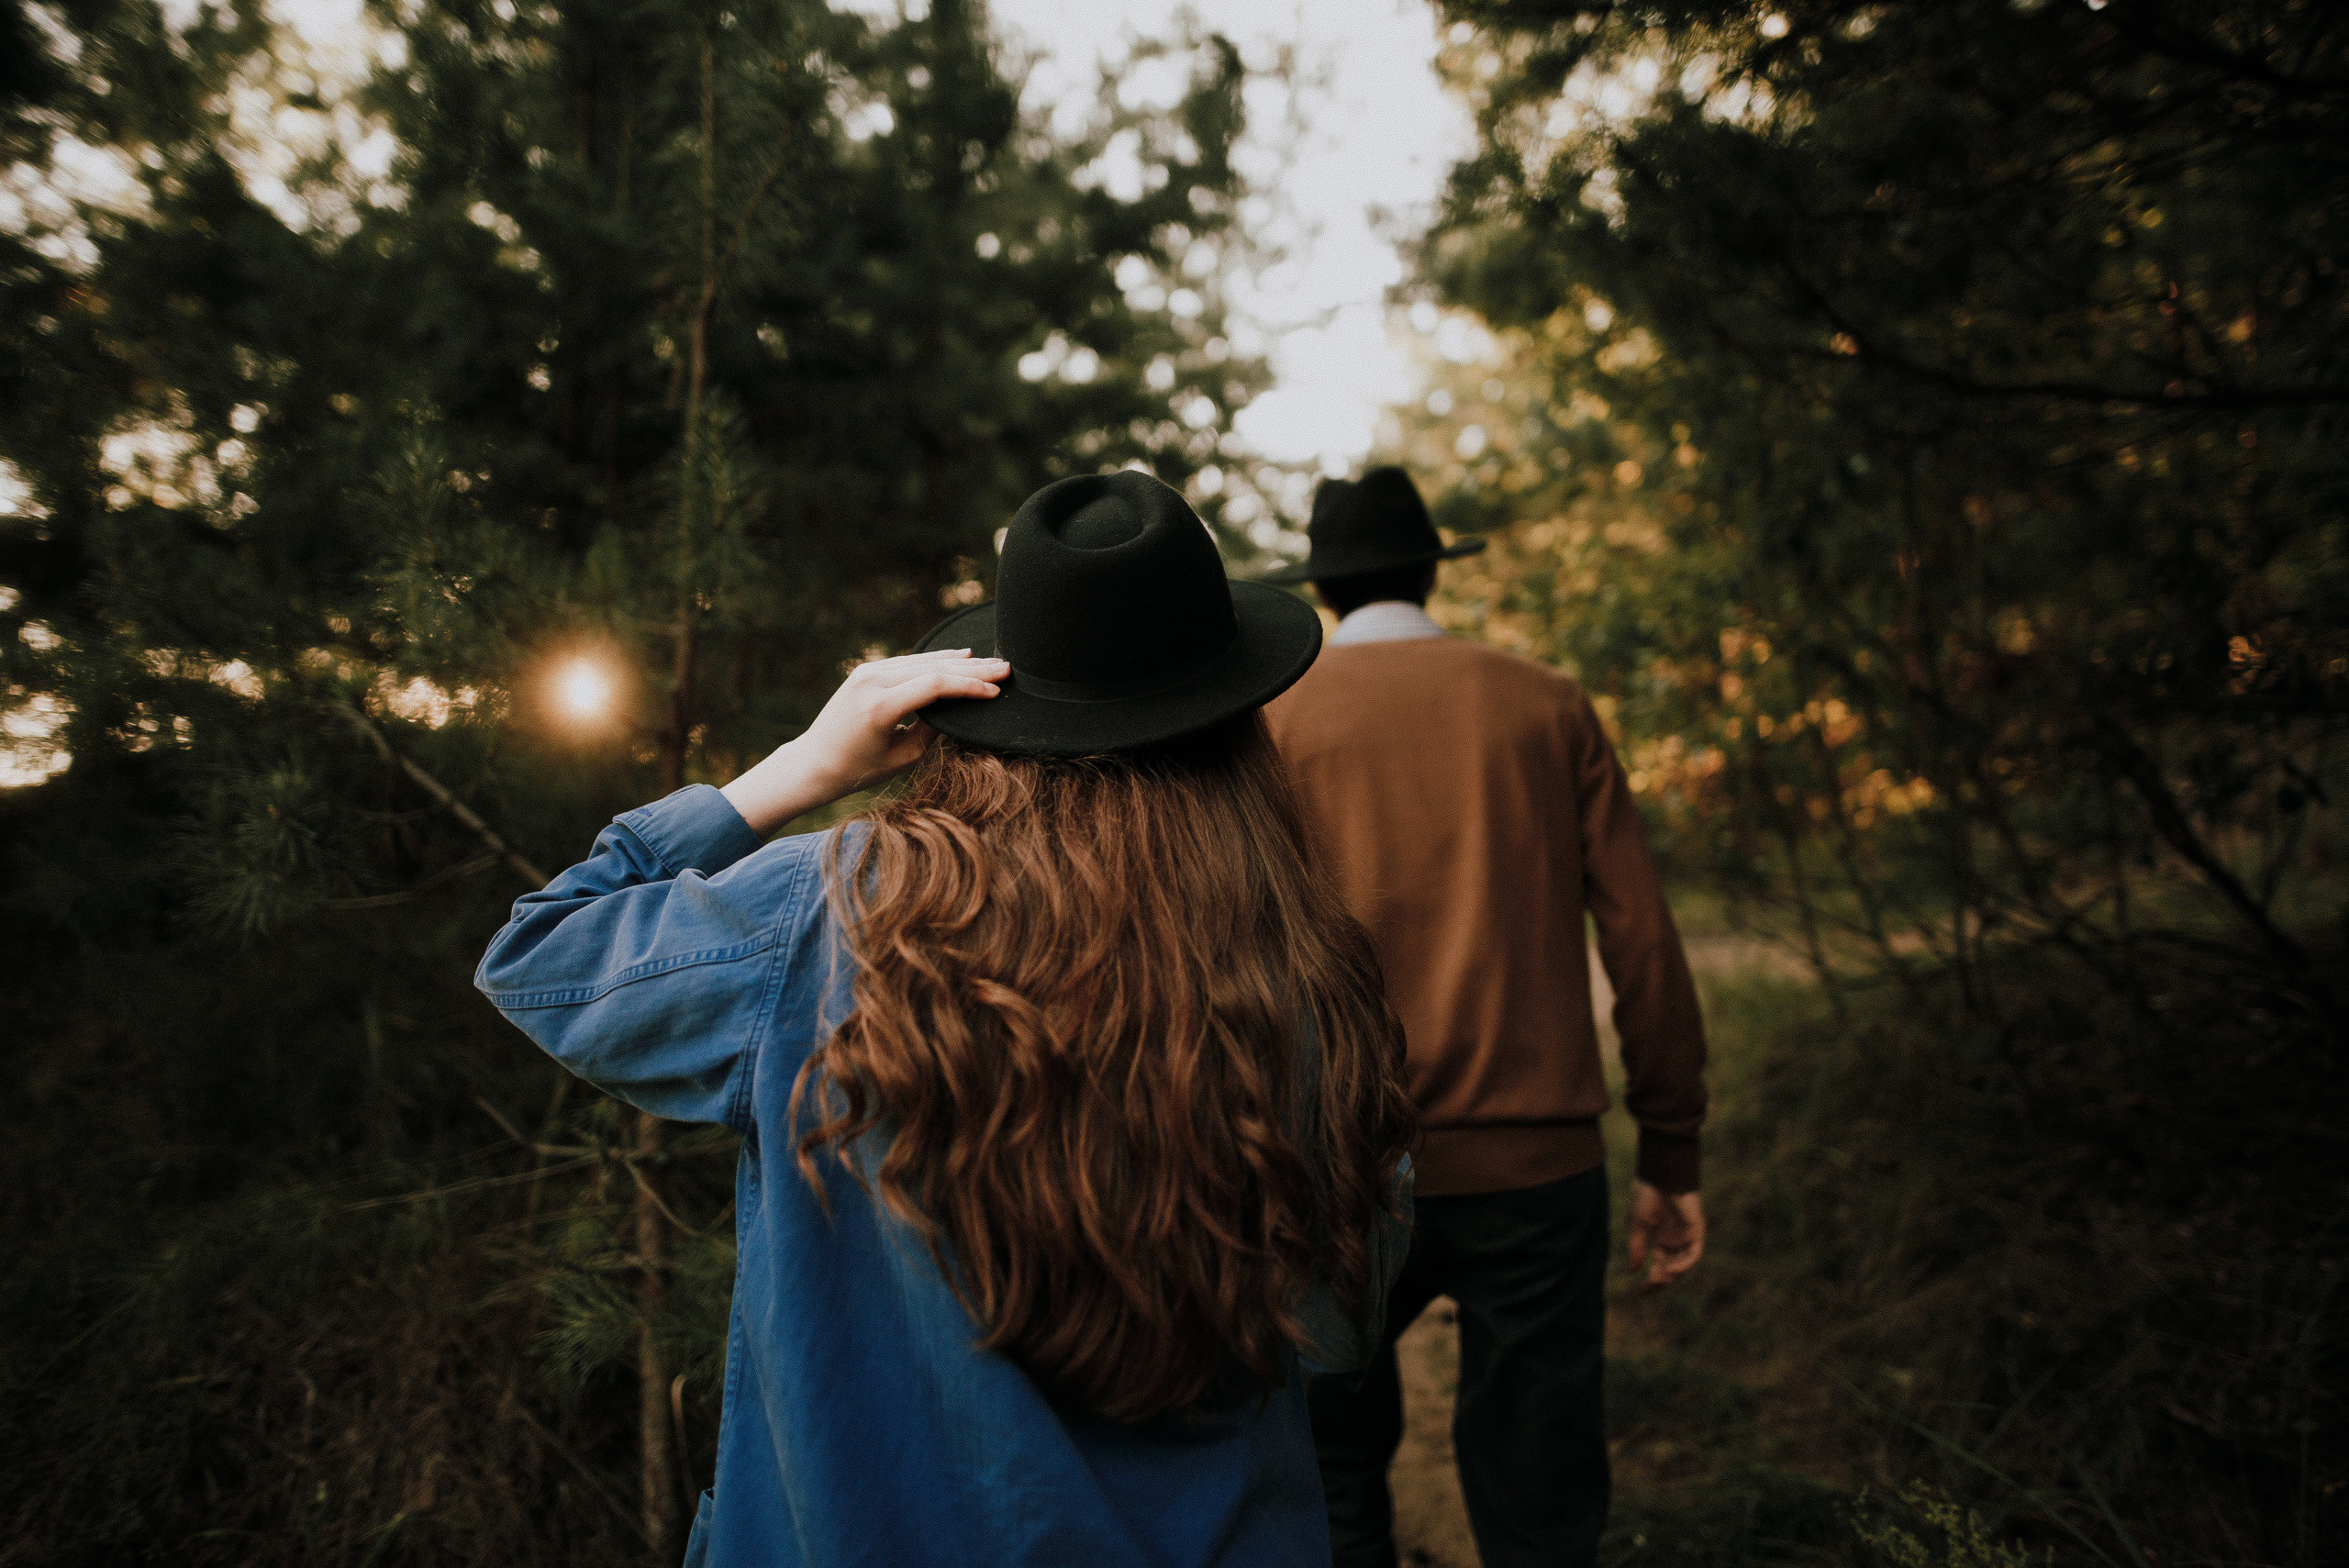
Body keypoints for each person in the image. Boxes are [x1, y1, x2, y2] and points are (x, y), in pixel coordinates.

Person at [476, 471, 1418, 1568]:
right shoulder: (1300, 963)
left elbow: (540, 953)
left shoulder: (831, 910)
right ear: (1233, 721)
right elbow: (1344, 1326)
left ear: (992, 700)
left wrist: (795, 771)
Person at [1261, 466, 1710, 1568]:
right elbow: (1641, 939)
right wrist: (1670, 1146)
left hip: (1336, 1163)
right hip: (1538, 1169)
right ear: (1429, 568)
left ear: (1324, 590)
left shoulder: (1270, 721)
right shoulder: (1543, 702)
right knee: (1542, 1486)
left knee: (1330, 1470)